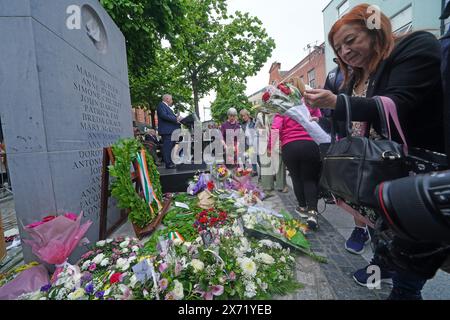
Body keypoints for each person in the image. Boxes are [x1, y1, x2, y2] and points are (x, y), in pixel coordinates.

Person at [304, 4, 445, 299]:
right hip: (378, 171)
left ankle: (402, 287)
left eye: (350, 40)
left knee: (411, 252)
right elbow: (346, 120)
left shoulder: (415, 46)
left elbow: (399, 103)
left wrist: (337, 103)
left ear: (374, 28)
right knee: (386, 234)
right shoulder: (355, 78)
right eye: (338, 47)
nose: (344, 51)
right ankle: (380, 270)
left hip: (415, 171)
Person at [271, 78, 323, 230]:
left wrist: (270, 146)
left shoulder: (282, 107)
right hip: (309, 144)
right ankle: (313, 212)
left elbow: (276, 127)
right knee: (310, 179)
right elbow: (318, 119)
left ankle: (302, 208)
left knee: (296, 178)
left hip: (290, 146)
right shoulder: (309, 102)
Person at [255, 110, 288, 193]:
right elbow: (257, 129)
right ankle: (268, 186)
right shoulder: (260, 115)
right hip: (265, 141)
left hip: (277, 140)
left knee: (279, 164)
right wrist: (262, 130)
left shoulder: (278, 112)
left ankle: (281, 185)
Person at [156, 94, 181, 169]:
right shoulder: (161, 105)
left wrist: (177, 119)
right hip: (167, 131)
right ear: (167, 99)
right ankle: (168, 164)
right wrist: (176, 119)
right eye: (171, 99)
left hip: (170, 131)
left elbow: (170, 117)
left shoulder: (167, 107)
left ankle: (170, 162)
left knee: (171, 147)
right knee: (167, 148)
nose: (172, 101)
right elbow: (163, 115)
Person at [239, 109, 258, 176]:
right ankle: (255, 171)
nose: (243, 117)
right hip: (249, 143)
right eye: (242, 116)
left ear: (248, 115)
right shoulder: (243, 124)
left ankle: (265, 175)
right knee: (252, 157)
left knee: (258, 158)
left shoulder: (254, 121)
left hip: (256, 142)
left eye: (244, 116)